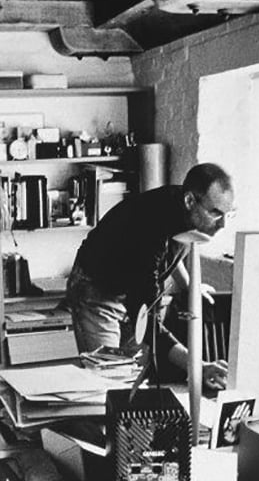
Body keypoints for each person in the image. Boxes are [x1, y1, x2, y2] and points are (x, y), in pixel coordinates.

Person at [64, 163, 234, 392]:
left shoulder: (186, 211)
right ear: (190, 201)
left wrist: (191, 287)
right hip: (97, 291)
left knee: (134, 382)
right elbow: (150, 327)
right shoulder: (149, 231)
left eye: (228, 214)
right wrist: (199, 367)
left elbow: (171, 256)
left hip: (130, 287)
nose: (222, 225)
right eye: (215, 213)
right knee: (108, 385)